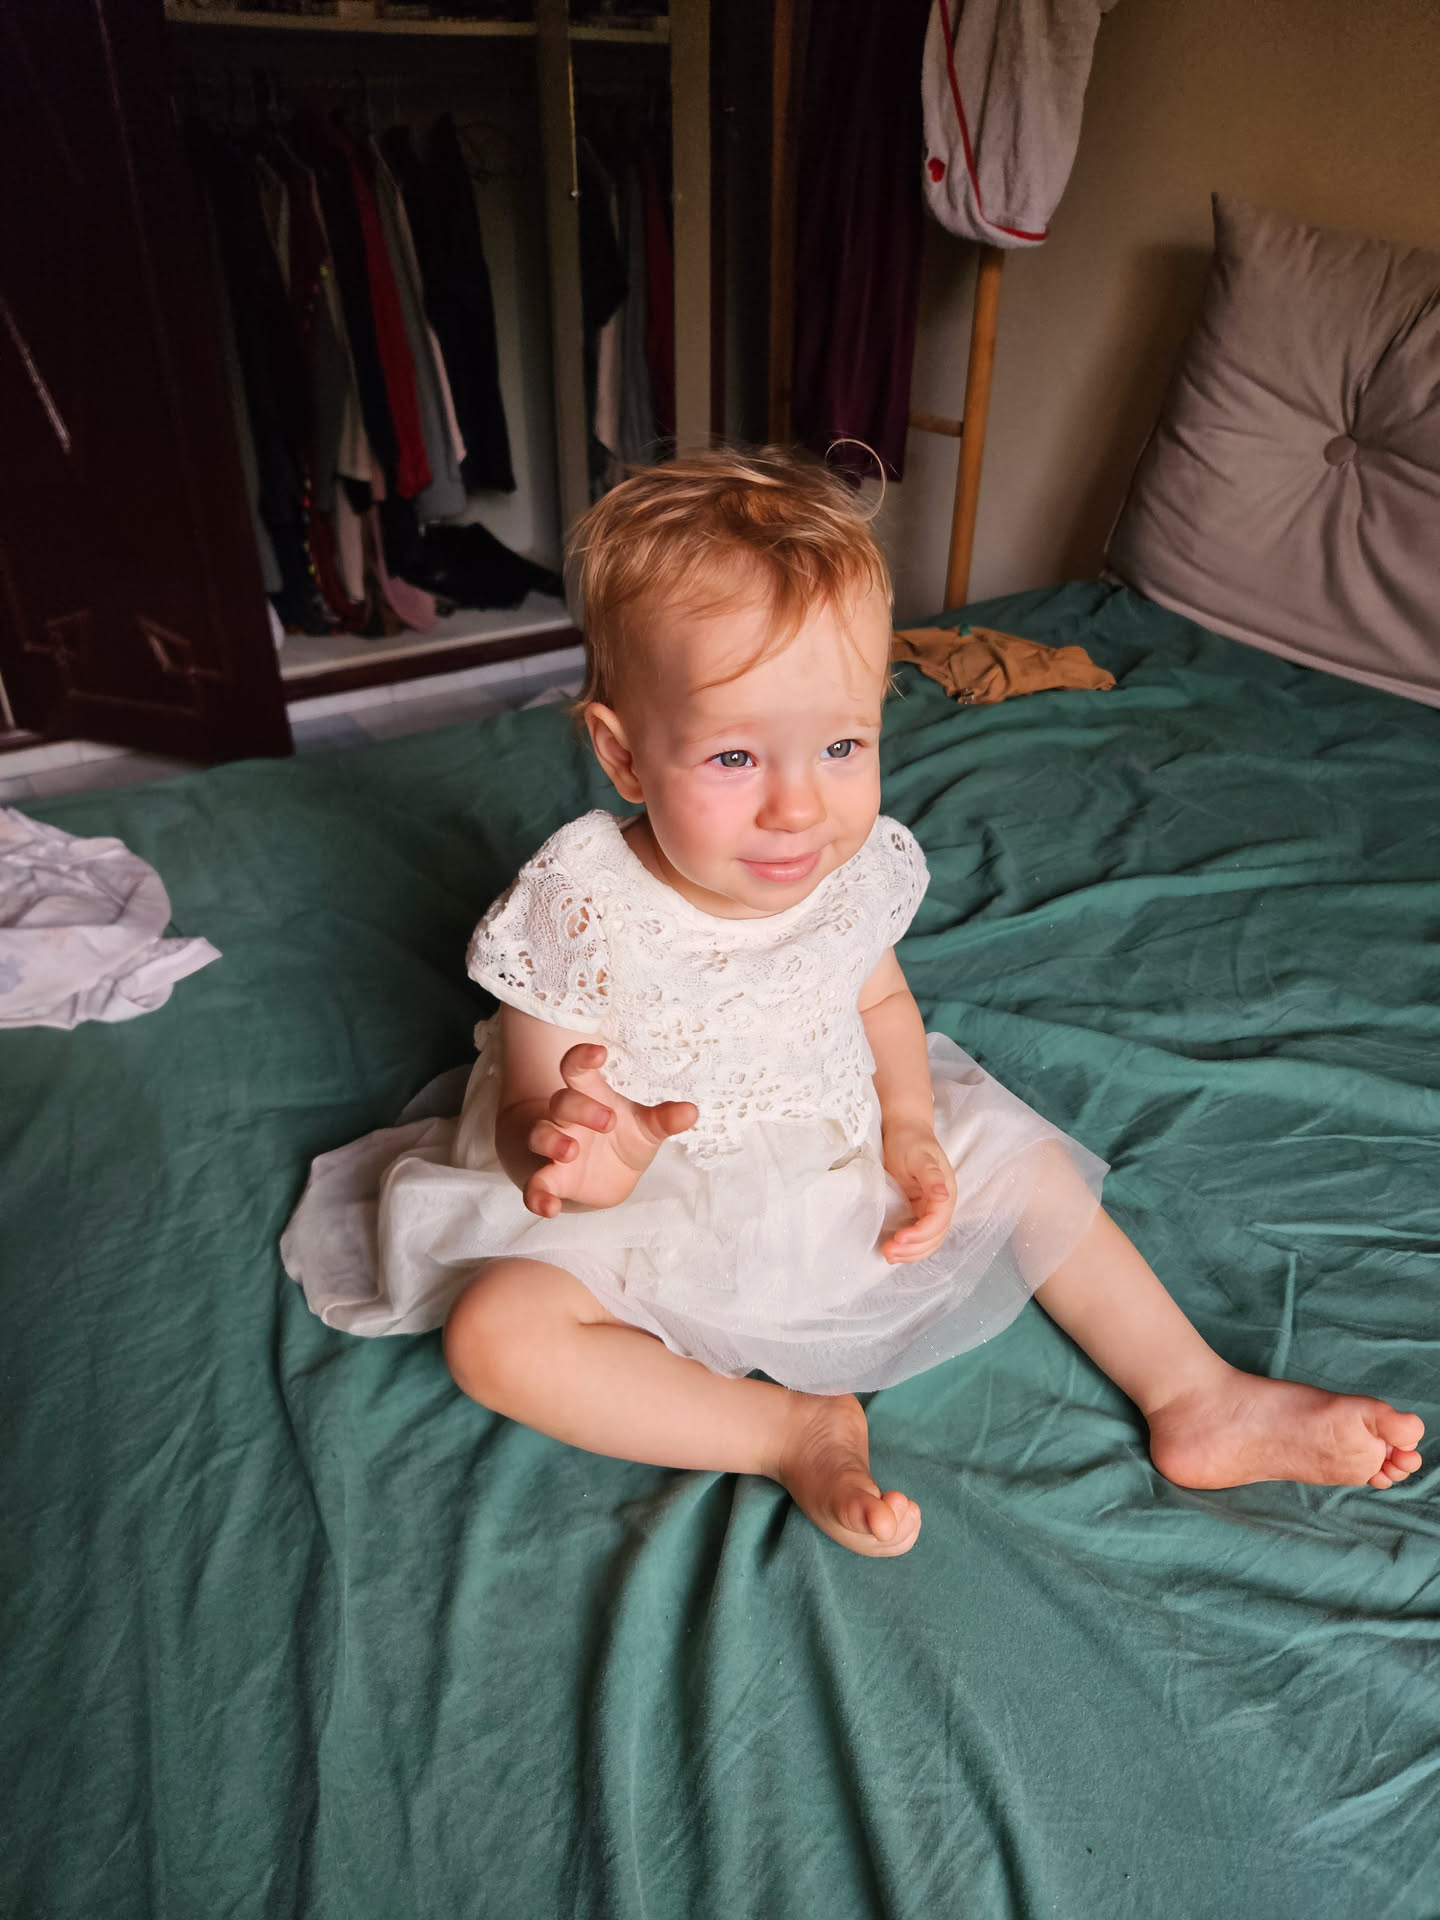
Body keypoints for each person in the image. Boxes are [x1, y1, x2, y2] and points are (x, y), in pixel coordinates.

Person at [282, 448, 1424, 1558]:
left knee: (1026, 1163)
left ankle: (1197, 1393)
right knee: (496, 1336)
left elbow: (878, 1001)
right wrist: (587, 1156)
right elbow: (532, 1113)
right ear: (623, 757)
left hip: (832, 1144)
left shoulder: (852, 861)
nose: (799, 808)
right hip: (649, 1204)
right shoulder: (581, 902)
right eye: (735, 759)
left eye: (841, 744)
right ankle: (784, 1431)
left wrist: (912, 1125)